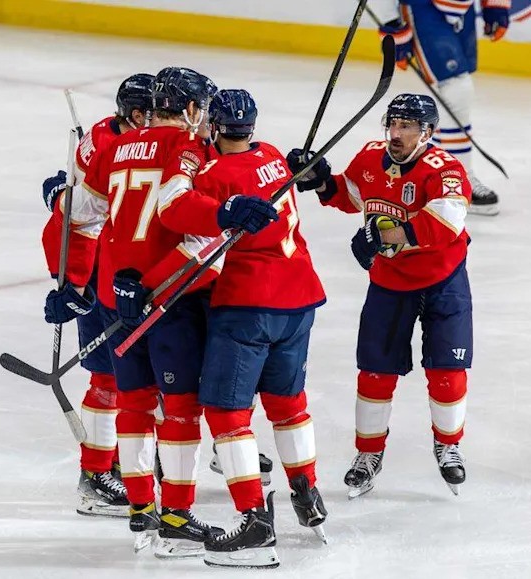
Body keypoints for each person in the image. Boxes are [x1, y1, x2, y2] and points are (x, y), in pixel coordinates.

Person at [45, 66, 277, 558]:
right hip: (167, 294)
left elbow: (80, 211)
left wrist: (56, 197)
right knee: (181, 408)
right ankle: (174, 516)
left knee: (133, 402)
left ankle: (139, 511)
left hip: (115, 294)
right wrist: (226, 213)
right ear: (192, 110)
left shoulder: (113, 147)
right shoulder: (189, 150)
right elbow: (189, 222)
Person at [142, 88, 327, 568]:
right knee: (287, 404)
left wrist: (148, 287)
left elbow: (176, 213)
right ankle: (306, 491)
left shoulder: (216, 174)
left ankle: (255, 525)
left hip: (248, 304)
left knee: (225, 412)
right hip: (301, 297)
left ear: (218, 128)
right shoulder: (273, 159)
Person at [288, 93, 473, 499]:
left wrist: (384, 234)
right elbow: (351, 196)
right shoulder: (371, 158)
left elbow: (446, 221)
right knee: (375, 372)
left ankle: (448, 445)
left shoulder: (445, 170)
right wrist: (318, 178)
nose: (396, 133)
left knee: (447, 371)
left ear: (427, 133)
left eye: (407, 127)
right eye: (393, 124)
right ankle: (368, 455)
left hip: (442, 280)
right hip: (390, 281)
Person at [40, 73, 154, 518]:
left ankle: (132, 463)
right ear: (139, 114)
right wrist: (74, 284)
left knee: (142, 377)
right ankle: (95, 474)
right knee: (110, 379)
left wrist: (58, 197)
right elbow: (76, 223)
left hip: (120, 271)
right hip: (105, 276)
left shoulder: (112, 134)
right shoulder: (111, 148)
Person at [377, 0, 510, 215]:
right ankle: (459, 181)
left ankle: (432, 175)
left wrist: (496, 3)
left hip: (463, 8)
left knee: (450, 92)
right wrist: (390, 20)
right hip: (423, 8)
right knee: (455, 89)